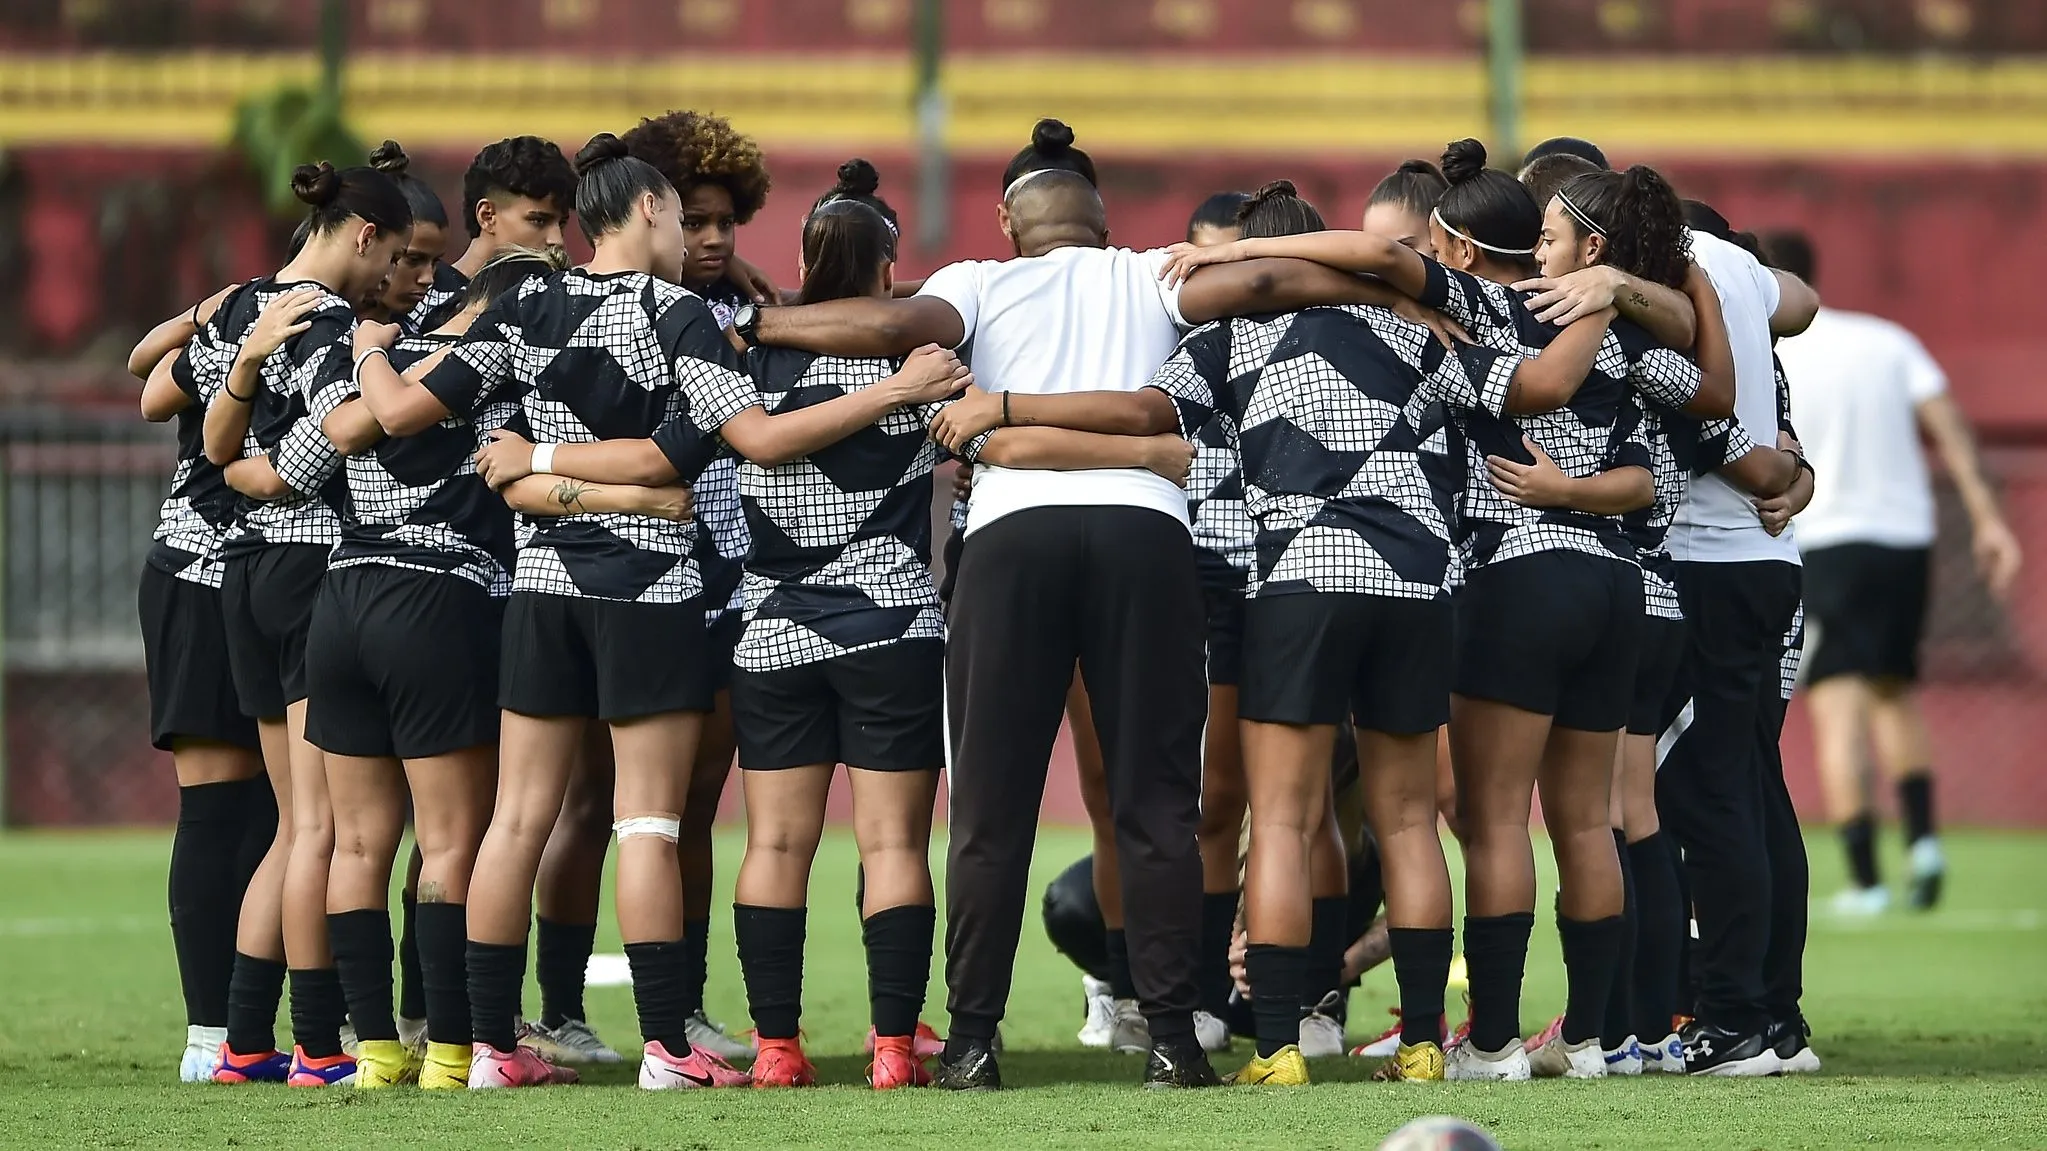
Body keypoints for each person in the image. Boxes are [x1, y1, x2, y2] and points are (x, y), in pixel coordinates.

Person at [747, 159, 1425, 1091]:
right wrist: (1388, 287)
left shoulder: (973, 282)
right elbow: (1269, 280)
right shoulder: (1151, 272)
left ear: (1003, 219)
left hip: (1008, 540)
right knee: (1155, 804)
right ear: (1102, 224)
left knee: (989, 807)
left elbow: (888, 326)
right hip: (1143, 533)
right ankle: (1175, 1040)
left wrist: (756, 318)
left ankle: (976, 1040)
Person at [469, 176, 1001, 1090]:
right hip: (889, 628)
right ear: (889, 273)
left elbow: (732, 442)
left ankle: (775, 1048)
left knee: (770, 846)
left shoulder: (735, 359)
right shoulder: (917, 369)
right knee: (891, 847)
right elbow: (975, 441)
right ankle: (887, 1047)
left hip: (768, 635)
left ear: (797, 263)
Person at [1150, 179, 1619, 1088]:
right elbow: (1529, 390)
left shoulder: (1225, 336)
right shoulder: (1422, 324)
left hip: (1298, 581)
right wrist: (1613, 295)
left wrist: (1004, 417)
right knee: (1409, 822)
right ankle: (1418, 1046)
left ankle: (1280, 1047)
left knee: (1283, 817)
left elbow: (1144, 416)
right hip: (1418, 585)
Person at [358, 133, 750, 1091]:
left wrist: (375, 352)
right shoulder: (682, 313)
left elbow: (412, 409)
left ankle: (491, 1048)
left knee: (516, 820)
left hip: (538, 589)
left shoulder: (527, 300)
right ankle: (668, 1048)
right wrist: (634, 490)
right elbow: (678, 460)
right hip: (650, 588)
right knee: (649, 822)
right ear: (652, 210)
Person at [310, 246, 566, 1090]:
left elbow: (329, 442)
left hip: (340, 598)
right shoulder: (498, 365)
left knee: (356, 842)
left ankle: (375, 1052)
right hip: (435, 602)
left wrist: (366, 350)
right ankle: (453, 1053)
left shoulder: (368, 355)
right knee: (451, 840)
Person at [198, 160, 414, 1086]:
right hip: (309, 568)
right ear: (362, 234)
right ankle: (318, 1046)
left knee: (294, 826)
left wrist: (251, 466)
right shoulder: (329, 319)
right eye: (397, 255)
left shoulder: (245, 307)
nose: (395, 277)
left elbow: (202, 429)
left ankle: (248, 1039)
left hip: (242, 567)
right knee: (319, 828)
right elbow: (348, 424)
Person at [1767, 229, 2022, 915]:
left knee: (1837, 704)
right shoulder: (1885, 339)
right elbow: (1947, 424)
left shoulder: (1773, 352)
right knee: (1893, 689)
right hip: (1902, 539)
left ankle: (1866, 878)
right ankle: (1923, 845)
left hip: (1823, 540)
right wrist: (1988, 520)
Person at [1654, 198, 1820, 1077]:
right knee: (1755, 791)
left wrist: (1779, 470)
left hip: (1703, 569)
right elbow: (1802, 301)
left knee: (1703, 795)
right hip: (1768, 566)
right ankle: (1775, 1017)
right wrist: (1795, 473)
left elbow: (1724, 436)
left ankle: (1728, 1017)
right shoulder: (1751, 297)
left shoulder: (1672, 298)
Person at [133, 287, 273, 1082]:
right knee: (220, 802)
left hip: (287, 577)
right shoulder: (264, 313)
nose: (414, 275)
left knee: (282, 808)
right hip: (204, 572)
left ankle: (254, 1031)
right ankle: (209, 1031)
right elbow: (150, 386)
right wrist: (205, 314)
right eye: (404, 257)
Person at [406, 135, 577, 336]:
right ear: (487, 215)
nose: (556, 240)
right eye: (539, 220)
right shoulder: (420, 296)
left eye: (562, 224)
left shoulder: (553, 302)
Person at [362, 141, 451, 329]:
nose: (428, 279)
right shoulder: (308, 321)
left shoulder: (427, 329)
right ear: (366, 240)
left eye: (435, 262)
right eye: (413, 259)